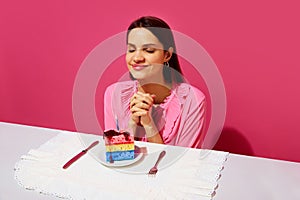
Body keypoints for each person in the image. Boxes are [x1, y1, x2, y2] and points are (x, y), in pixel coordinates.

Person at [104, 16, 206, 148]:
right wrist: (133, 123)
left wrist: (148, 124)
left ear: (167, 55)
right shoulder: (114, 94)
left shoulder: (193, 100)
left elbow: (182, 165)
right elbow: (116, 157)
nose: (137, 58)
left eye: (149, 50)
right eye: (131, 49)